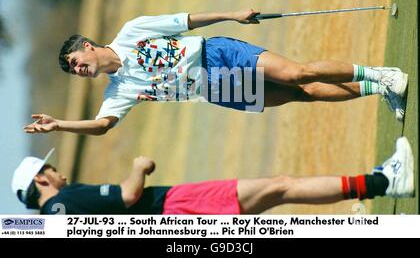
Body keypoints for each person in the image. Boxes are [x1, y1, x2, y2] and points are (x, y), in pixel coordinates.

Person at [24, 10, 408, 136]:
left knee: (297, 74)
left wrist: (232, 14)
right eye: (74, 72)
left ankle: (382, 72)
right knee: (300, 95)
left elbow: (186, 20)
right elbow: (103, 126)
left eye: (75, 62)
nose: (79, 70)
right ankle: (378, 88)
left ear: (87, 46)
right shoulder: (118, 92)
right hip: (216, 88)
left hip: (217, 54)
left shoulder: (132, 30)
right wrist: (59, 125)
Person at [12, 137, 414, 215]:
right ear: (41, 181)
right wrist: (139, 166)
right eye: (49, 168)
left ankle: (378, 183)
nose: (56, 169)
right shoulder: (67, 202)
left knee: (281, 194)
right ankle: (385, 182)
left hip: (174, 216)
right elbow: (128, 197)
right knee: (281, 186)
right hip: (174, 208)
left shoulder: (53, 223)